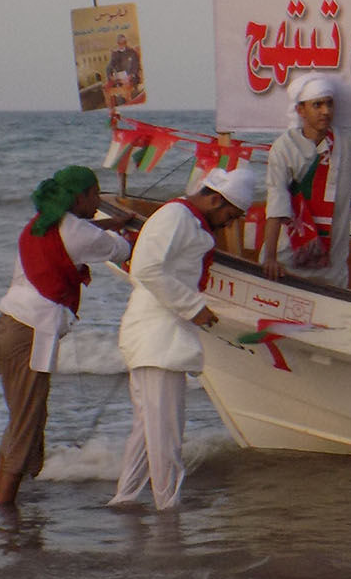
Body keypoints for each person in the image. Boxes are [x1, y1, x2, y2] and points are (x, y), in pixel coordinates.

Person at [109, 165, 256, 511]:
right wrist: (194, 308)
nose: (229, 223)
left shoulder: (187, 221)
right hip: (157, 337)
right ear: (215, 200)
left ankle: (126, 498)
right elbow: (145, 268)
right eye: (230, 215)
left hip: (158, 336)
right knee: (166, 432)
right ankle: (167, 506)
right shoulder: (175, 215)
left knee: (148, 430)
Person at [0, 166, 133, 506]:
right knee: (27, 424)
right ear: (79, 197)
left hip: (6, 329)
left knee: (22, 419)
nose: (98, 201)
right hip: (31, 334)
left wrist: (108, 224)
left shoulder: (42, 222)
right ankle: (4, 508)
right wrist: (123, 230)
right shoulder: (80, 234)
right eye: (94, 195)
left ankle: (3, 497)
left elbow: (79, 233)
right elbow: (120, 250)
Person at [261, 74, 351, 290]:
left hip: (332, 267)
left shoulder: (347, 143)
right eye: (317, 105)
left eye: (329, 104)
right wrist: (269, 258)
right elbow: (277, 205)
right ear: (301, 110)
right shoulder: (284, 148)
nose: (325, 111)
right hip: (286, 262)